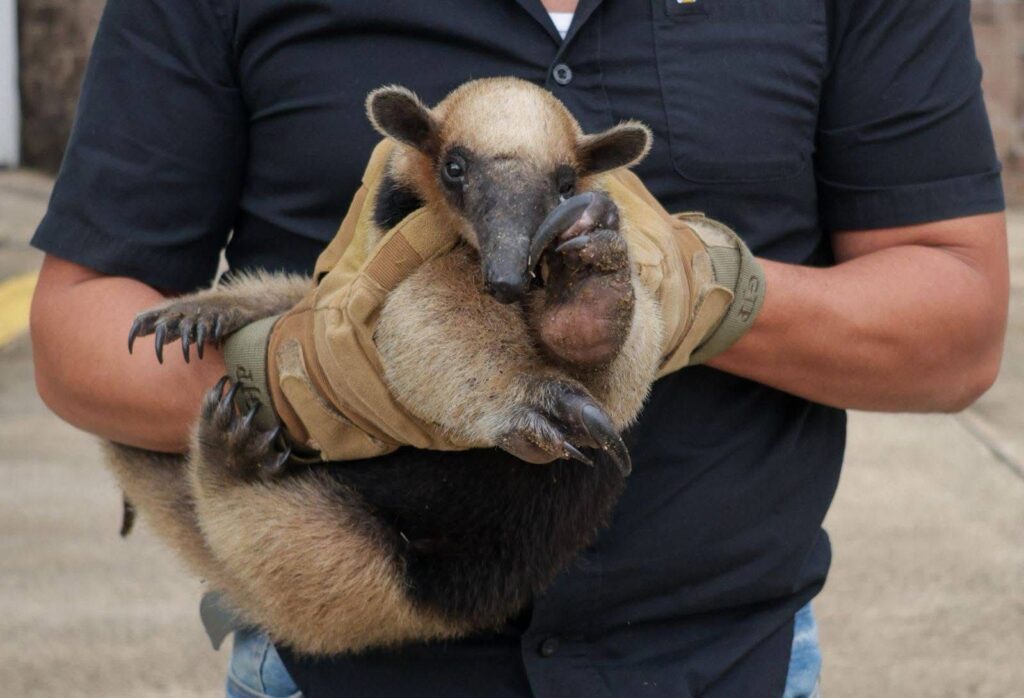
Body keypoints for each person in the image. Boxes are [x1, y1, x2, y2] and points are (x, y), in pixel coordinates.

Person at [28, 0, 1008, 697]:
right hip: (343, 648)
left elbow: (953, 330)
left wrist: (700, 289)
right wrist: (301, 374)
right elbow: (79, 336)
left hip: (721, 664)